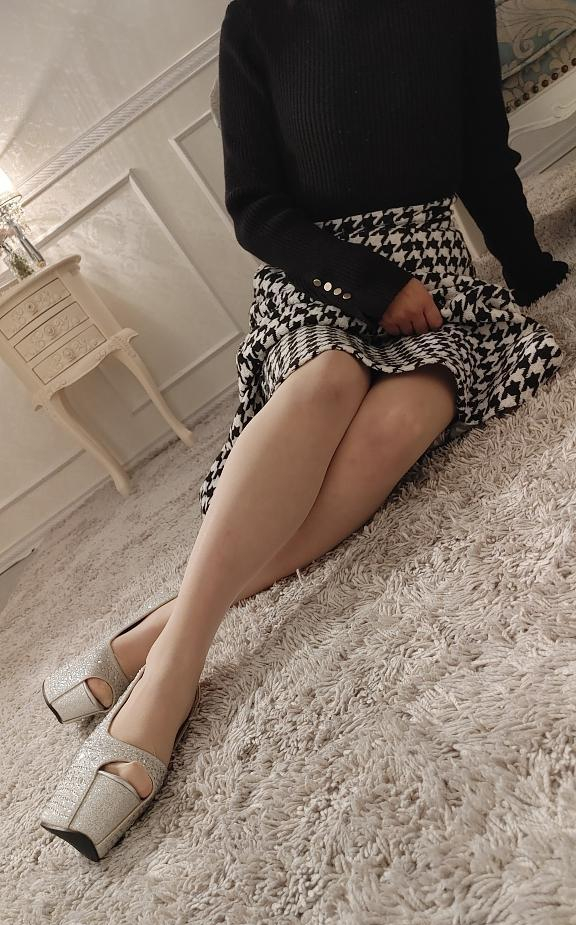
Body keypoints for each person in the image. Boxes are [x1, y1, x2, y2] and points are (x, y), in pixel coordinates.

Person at [40, 0, 570, 860]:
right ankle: (172, 675)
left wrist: (528, 265)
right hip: (314, 278)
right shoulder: (258, 19)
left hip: (433, 278)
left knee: (409, 413)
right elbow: (255, 210)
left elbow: (482, 153)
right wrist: (369, 286)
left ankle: (148, 633)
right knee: (327, 382)